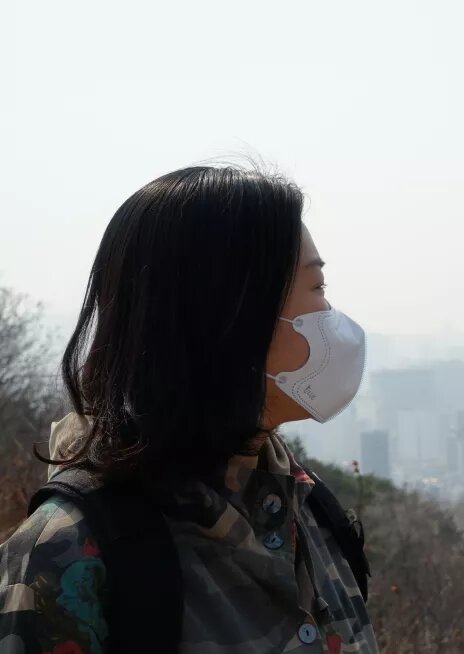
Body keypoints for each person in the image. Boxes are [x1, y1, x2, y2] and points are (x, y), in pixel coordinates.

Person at [0, 166, 378, 653]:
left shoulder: (313, 511)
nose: (332, 319)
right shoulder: (68, 557)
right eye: (317, 290)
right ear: (229, 316)